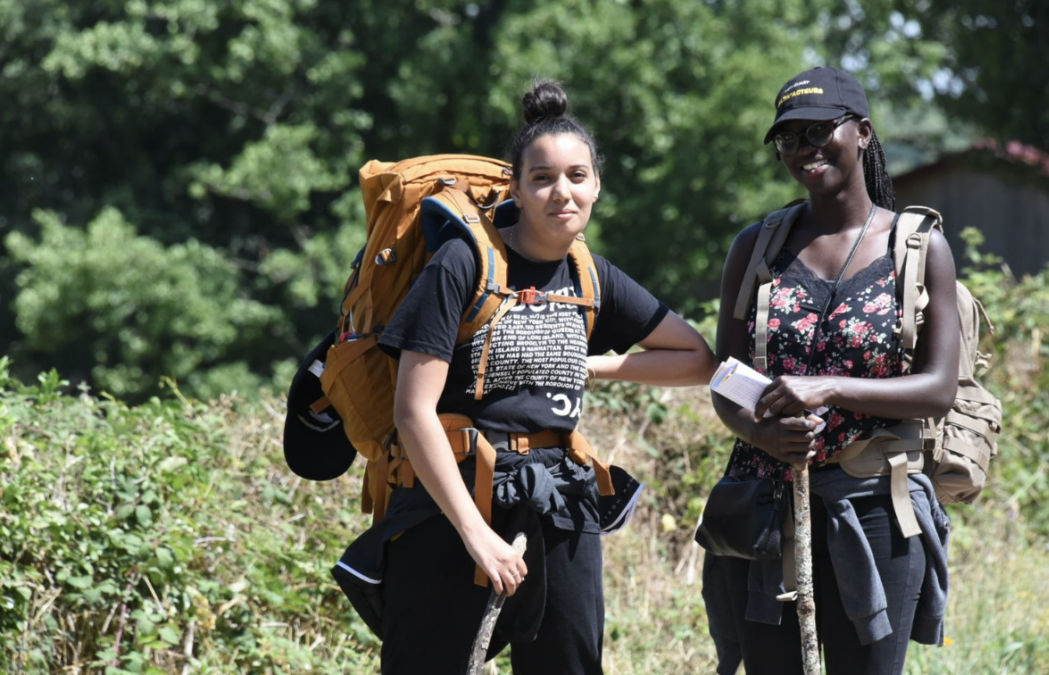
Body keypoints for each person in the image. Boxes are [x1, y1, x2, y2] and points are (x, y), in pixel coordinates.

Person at [333, 80, 716, 675]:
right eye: (542, 178)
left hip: (558, 498)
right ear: (516, 187)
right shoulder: (463, 263)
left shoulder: (592, 275)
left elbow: (695, 359)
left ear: (596, 185)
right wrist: (473, 533)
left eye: (577, 176)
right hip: (450, 502)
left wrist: (596, 365)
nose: (561, 191)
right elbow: (414, 412)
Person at [701, 65, 957, 675]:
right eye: (788, 138)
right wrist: (763, 434)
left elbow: (938, 389)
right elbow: (725, 374)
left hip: (874, 510)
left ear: (863, 133)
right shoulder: (758, 246)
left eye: (819, 130)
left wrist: (832, 387)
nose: (803, 149)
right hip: (767, 507)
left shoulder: (917, 249)